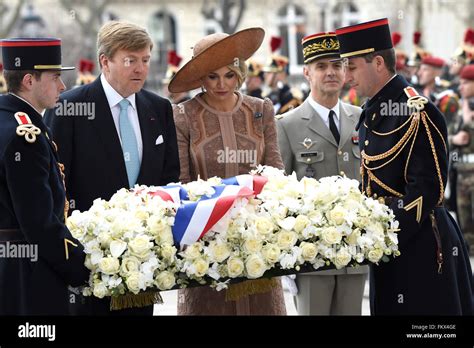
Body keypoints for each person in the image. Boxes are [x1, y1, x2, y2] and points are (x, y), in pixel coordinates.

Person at [335, 18, 474, 315]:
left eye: (352, 66)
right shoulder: (372, 111)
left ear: (378, 63)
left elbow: (425, 191)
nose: (346, 76)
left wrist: (384, 238)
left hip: (421, 246)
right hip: (388, 246)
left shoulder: (416, 112)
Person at [44, 21, 180, 315]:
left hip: (145, 263)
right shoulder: (68, 107)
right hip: (88, 263)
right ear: (105, 62)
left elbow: (169, 179)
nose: (141, 69)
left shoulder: (159, 108)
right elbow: (54, 185)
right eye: (130, 60)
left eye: (145, 60)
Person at [169, 27, 286, 315]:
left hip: (258, 236)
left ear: (240, 74)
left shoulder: (261, 109)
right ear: (201, 78)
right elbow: (182, 181)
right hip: (205, 237)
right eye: (212, 76)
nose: (222, 83)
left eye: (229, 74)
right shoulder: (184, 115)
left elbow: (275, 171)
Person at [277, 32, 368, 315]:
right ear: (306, 72)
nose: (330, 72)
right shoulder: (287, 124)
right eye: (321, 66)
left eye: (336, 65)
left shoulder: (362, 118)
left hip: (355, 249)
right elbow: (279, 193)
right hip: (311, 255)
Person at [0, 38, 89, 315]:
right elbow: (38, 222)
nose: (62, 86)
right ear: (29, 80)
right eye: (55, 77)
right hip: (26, 273)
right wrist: (81, 265)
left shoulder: (10, 120)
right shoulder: (25, 135)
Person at [452, 65, 474, 254]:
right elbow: (448, 134)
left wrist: (469, 123)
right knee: (463, 219)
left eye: (466, 82)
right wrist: (454, 139)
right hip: (462, 171)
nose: (461, 87)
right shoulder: (459, 108)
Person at [263, 36, 302, 114]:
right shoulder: (267, 96)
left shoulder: (292, 97)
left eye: (270, 72)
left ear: (281, 74)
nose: (265, 75)